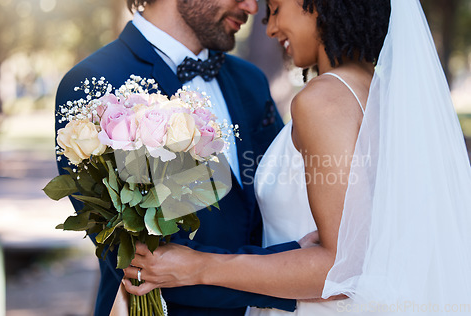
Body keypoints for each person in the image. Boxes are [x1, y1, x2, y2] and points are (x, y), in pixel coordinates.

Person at [122, 0, 471, 315]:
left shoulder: (324, 100)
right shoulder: (381, 93)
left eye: (275, 8)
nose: (270, 27)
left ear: (318, 6)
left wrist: (197, 265)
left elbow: (342, 269)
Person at [54, 0, 323, 315]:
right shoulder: (97, 81)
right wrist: (301, 273)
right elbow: (148, 263)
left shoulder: (251, 80)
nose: (252, 7)